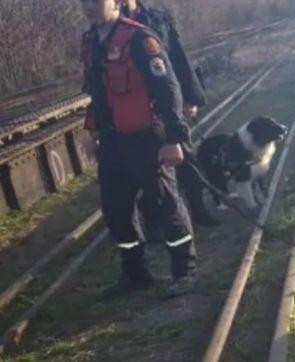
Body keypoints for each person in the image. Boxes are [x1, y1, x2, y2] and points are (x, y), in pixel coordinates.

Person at [80, 0, 197, 298]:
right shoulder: (91, 41)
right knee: (116, 211)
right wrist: (92, 128)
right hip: (112, 141)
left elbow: (168, 88)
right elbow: (96, 90)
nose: (89, 6)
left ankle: (185, 271)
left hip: (147, 137)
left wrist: (174, 138)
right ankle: (136, 274)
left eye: (96, 1)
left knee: (165, 204)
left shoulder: (140, 39)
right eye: (83, 1)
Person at [121, 0, 220, 228]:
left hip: (168, 105)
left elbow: (178, 58)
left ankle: (199, 210)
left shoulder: (158, 18)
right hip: (138, 113)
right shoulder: (112, 30)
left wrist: (191, 96)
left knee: (187, 161)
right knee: (148, 169)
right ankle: (155, 222)